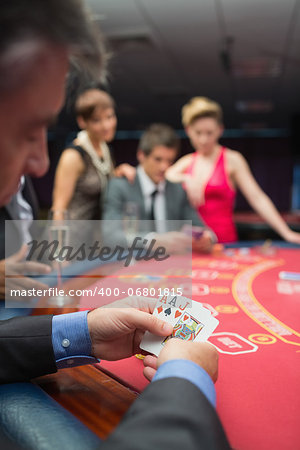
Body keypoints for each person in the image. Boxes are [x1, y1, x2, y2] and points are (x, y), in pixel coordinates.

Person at [0, 2, 229, 449]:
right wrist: (185, 376)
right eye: (27, 131)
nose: (41, 163)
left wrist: (83, 330)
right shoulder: (74, 158)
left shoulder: (110, 163)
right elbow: (68, 213)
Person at [166, 96, 300, 244]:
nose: (203, 139)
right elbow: (164, 176)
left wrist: (287, 233)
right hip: (194, 244)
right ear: (188, 131)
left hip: (225, 244)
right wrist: (186, 179)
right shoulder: (187, 161)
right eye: (198, 133)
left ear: (220, 130)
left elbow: (257, 198)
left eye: (209, 133)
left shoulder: (232, 159)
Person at [103, 123, 216, 253]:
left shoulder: (177, 190)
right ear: (141, 155)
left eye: (169, 161)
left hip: (171, 265)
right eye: (158, 159)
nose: (164, 167)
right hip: (132, 265)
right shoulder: (120, 186)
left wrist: (208, 238)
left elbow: (202, 229)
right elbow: (111, 236)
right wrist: (153, 240)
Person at [52, 88, 135, 219]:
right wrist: (58, 239)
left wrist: (120, 171)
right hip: (73, 236)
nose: (106, 125)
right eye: (97, 120)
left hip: (96, 236)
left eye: (110, 116)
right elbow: (58, 209)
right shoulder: (73, 155)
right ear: (82, 122)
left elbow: (103, 184)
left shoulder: (105, 149)